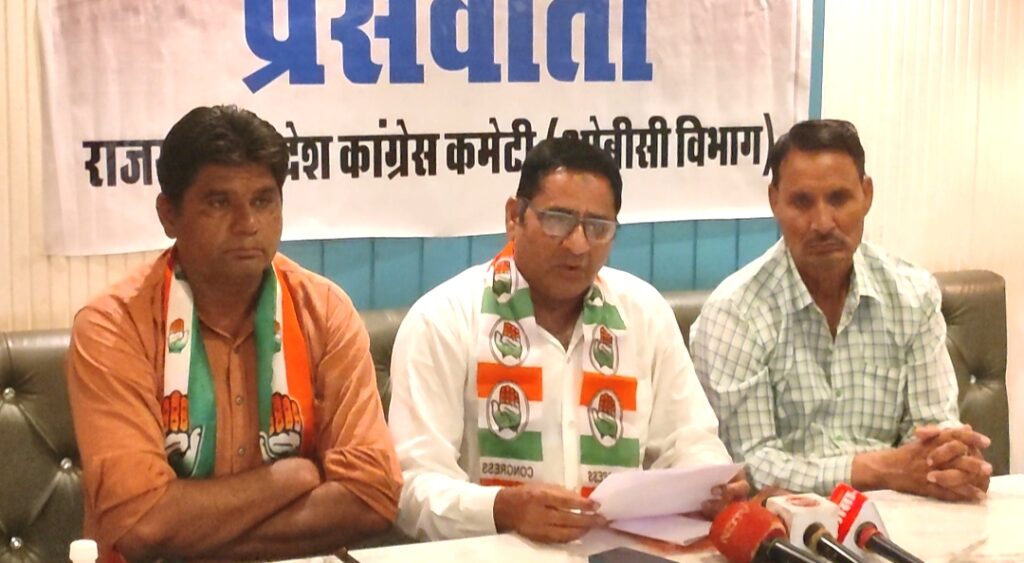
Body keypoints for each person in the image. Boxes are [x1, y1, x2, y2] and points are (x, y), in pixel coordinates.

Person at [65, 105, 402, 561]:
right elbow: (141, 524)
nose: (248, 225)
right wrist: (292, 479)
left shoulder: (323, 311)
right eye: (219, 202)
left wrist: (196, 534)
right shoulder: (113, 326)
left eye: (263, 201)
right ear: (168, 214)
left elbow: (372, 496)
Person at [387, 137, 747, 543]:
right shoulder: (444, 319)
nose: (578, 245)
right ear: (514, 217)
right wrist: (501, 508)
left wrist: (711, 485)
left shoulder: (643, 313)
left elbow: (691, 441)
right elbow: (411, 489)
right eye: (558, 220)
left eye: (598, 228)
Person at [690, 119, 991, 501]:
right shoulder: (735, 312)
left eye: (838, 199)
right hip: (788, 521)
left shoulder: (913, 295)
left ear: (866, 195)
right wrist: (878, 469)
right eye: (802, 202)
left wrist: (953, 460)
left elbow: (931, 430)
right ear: (774, 201)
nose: (822, 223)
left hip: (901, 512)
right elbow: (750, 465)